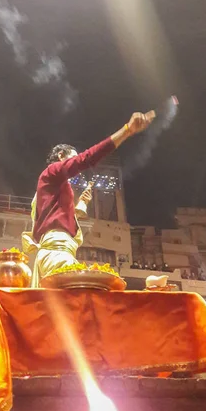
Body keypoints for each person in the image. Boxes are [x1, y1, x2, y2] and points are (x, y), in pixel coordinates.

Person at [22, 110, 155, 287]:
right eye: (73, 156)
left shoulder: (55, 184)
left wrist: (81, 205)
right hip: (57, 250)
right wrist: (127, 131)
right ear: (61, 156)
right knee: (82, 297)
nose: (76, 160)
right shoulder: (53, 171)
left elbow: (53, 216)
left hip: (59, 250)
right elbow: (87, 159)